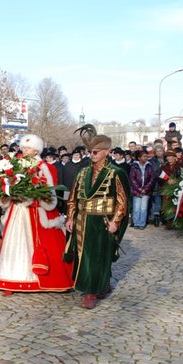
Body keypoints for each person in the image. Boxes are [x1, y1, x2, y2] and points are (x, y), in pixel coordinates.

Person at [0, 134, 74, 295]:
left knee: (46, 245)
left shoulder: (46, 167)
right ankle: (10, 281)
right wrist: (9, 195)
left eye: (28, 147)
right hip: (17, 210)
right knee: (14, 246)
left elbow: (50, 193)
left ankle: (46, 280)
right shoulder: (14, 166)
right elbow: (6, 185)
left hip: (36, 212)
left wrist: (32, 197)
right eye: (23, 147)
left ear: (36, 149)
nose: (24, 150)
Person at [64, 124, 130, 309]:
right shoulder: (82, 172)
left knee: (99, 256)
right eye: (90, 151)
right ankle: (97, 285)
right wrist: (70, 218)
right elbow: (72, 198)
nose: (91, 155)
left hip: (102, 221)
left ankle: (92, 292)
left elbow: (122, 201)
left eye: (95, 151)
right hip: (82, 219)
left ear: (106, 152)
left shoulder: (116, 173)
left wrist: (115, 221)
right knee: (83, 256)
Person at [129, 150, 155, 229]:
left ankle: (142, 223)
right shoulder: (134, 166)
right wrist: (139, 189)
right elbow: (132, 179)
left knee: (143, 208)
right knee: (136, 207)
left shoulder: (149, 166)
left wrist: (145, 189)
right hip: (136, 191)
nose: (146, 158)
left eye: (146, 156)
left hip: (146, 191)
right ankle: (136, 222)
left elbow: (152, 179)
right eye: (144, 156)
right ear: (139, 158)